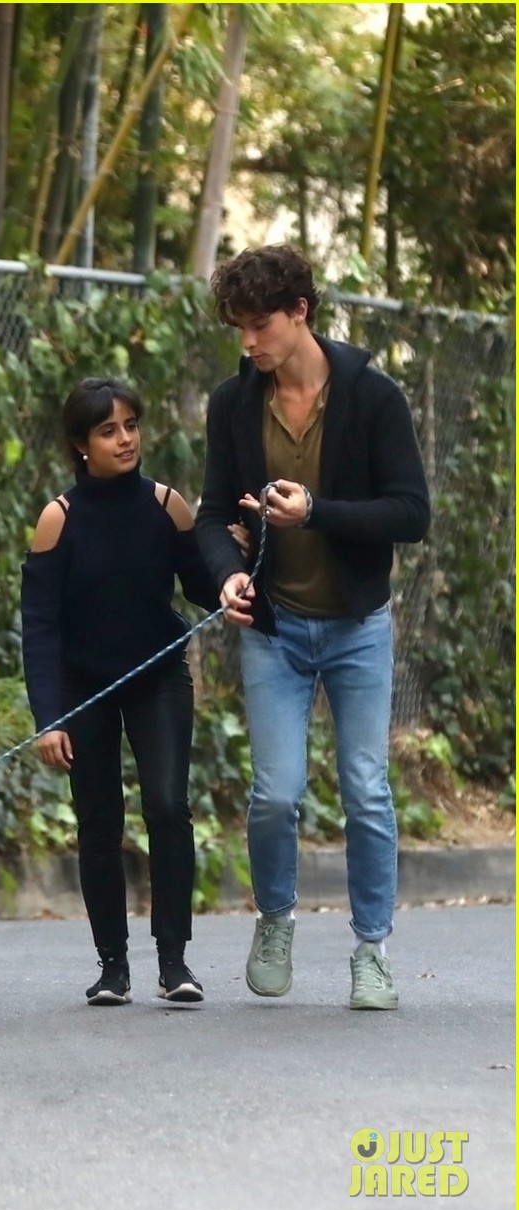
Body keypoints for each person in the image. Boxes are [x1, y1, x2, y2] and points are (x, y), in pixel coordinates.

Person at [195, 244, 431, 1010]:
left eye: (258, 324)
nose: (247, 342)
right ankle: (275, 918)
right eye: (237, 327)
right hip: (275, 627)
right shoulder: (233, 404)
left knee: (365, 790)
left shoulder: (371, 397)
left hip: (357, 624)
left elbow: (410, 514)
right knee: (274, 794)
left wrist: (315, 514)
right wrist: (222, 575)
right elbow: (209, 516)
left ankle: (371, 950)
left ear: (300, 311)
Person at [20, 376, 219, 1006]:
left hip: (159, 675)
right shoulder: (59, 519)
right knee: (99, 822)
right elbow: (41, 628)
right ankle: (112, 967)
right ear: (82, 444)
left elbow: (203, 588)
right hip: (85, 689)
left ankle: (175, 963)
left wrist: (235, 565)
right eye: (109, 430)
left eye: (131, 425)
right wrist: (49, 718)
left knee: (167, 807)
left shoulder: (167, 506)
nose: (125, 438)